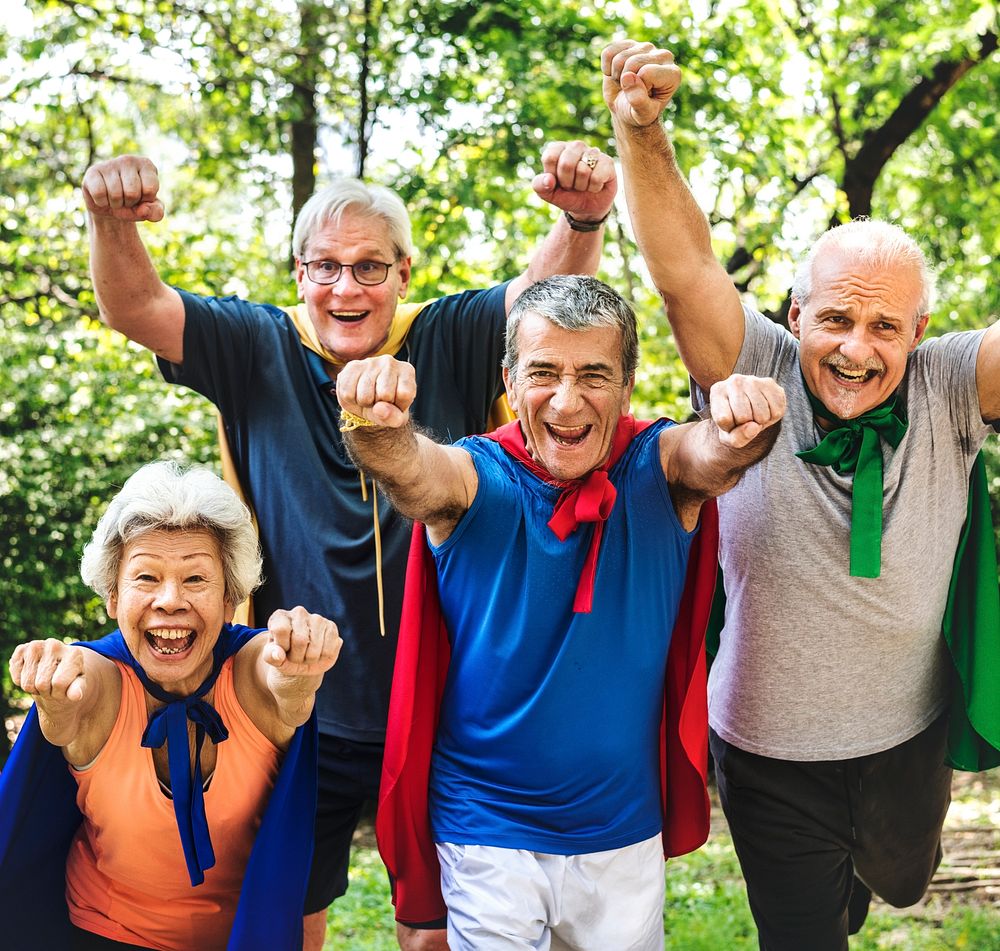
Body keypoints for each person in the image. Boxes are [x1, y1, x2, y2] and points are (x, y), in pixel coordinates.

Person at [81, 143, 617, 949]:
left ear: (404, 272)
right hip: (297, 697)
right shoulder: (257, 343)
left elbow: (544, 299)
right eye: (326, 266)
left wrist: (582, 216)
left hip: (444, 698)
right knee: (286, 916)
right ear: (299, 273)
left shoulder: (445, 333)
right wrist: (111, 220)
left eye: (370, 268)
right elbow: (137, 307)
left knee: (437, 925)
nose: (346, 286)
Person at [602, 39, 1000, 950]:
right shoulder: (754, 365)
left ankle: (859, 877)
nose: (856, 347)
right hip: (766, 745)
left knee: (900, 881)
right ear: (794, 314)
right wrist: (642, 131)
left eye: (883, 326)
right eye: (834, 317)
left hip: (907, 734)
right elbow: (684, 268)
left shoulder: (945, 386)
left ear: (921, 331)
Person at [336, 274, 786, 949]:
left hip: (620, 834)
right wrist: (376, 425)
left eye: (594, 375)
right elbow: (409, 469)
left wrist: (743, 426)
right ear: (511, 383)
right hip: (486, 830)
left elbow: (712, 456)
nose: (568, 400)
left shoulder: (655, 464)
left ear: (628, 386)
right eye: (544, 371)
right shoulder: (475, 473)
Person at [0, 460, 342, 951]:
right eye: (146, 577)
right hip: (99, 931)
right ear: (113, 596)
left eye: (196, 579)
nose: (169, 600)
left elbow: (284, 687)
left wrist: (301, 662)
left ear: (230, 599)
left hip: (236, 938)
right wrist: (53, 695)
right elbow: (68, 711)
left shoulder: (255, 669)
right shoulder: (95, 675)